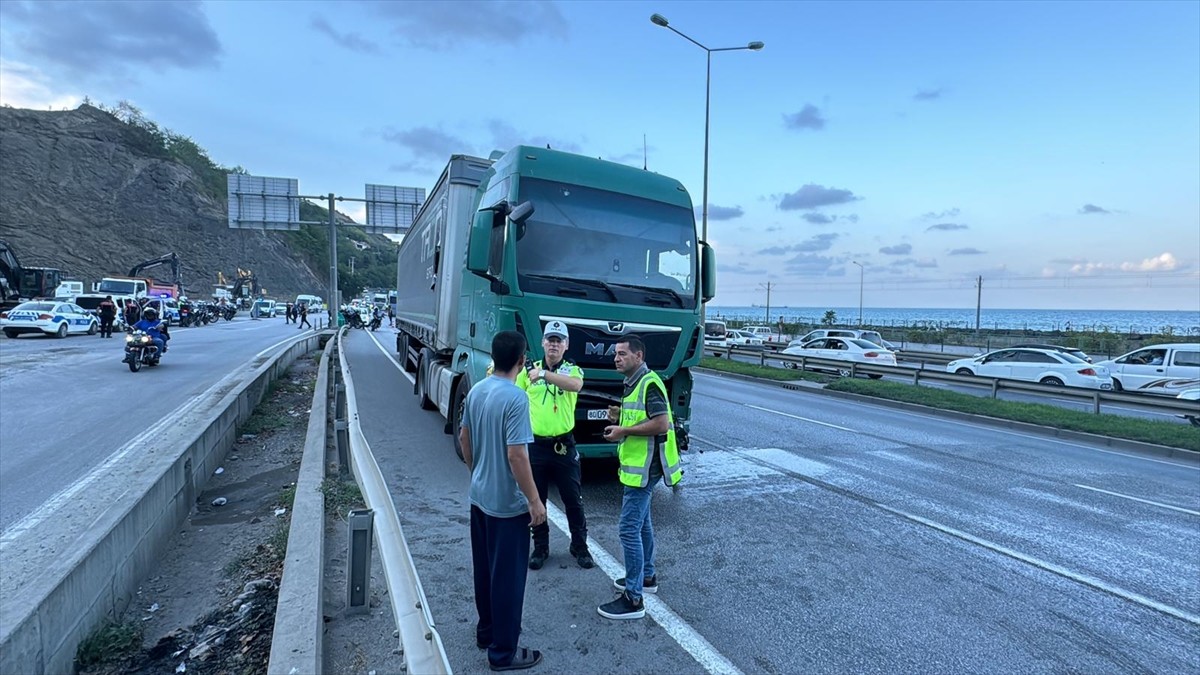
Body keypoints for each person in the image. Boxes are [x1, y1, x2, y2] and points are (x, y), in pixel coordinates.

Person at [459, 330, 545, 671]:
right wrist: (535, 501)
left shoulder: (478, 390)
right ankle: (503, 652)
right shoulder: (515, 399)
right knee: (508, 578)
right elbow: (517, 456)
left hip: (479, 498)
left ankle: (487, 631)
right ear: (522, 361)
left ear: (495, 357)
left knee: (484, 569)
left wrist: (476, 470)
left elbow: (464, 436)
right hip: (507, 506)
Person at [598, 335, 682, 621]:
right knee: (642, 523)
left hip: (647, 468)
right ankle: (647, 576)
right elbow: (644, 414)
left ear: (639, 356)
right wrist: (621, 416)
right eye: (616, 354)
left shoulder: (648, 382)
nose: (616, 358)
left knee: (628, 529)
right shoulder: (634, 382)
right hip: (641, 466)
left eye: (622, 354)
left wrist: (623, 430)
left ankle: (634, 598)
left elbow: (661, 423)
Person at [518, 320, 594, 570]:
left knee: (573, 499)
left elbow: (576, 386)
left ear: (566, 346)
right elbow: (514, 395)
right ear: (542, 343)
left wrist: (544, 375)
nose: (553, 344)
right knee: (536, 499)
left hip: (564, 447)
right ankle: (540, 548)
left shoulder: (571, 370)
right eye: (550, 339)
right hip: (536, 446)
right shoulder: (528, 372)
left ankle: (579, 546)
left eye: (558, 340)